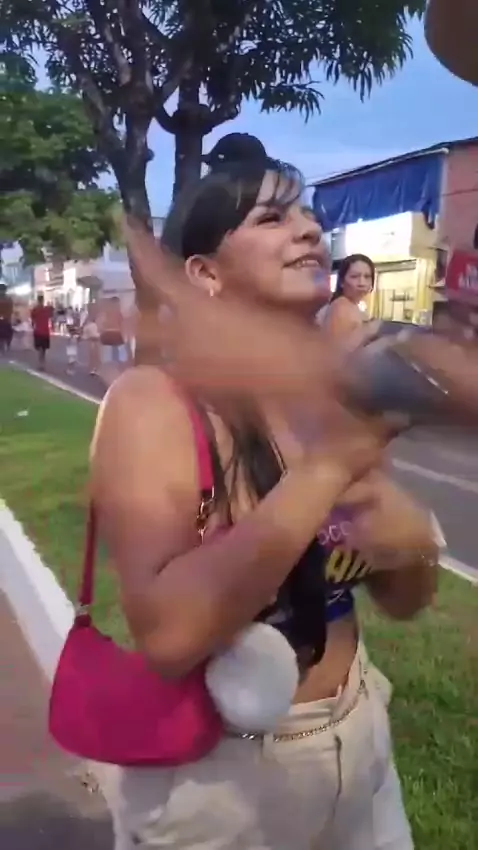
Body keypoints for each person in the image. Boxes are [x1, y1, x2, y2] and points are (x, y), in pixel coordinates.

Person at [91, 158, 440, 849]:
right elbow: (167, 638)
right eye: (273, 218)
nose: (309, 229)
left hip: (361, 739)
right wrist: (330, 466)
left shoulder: (333, 395)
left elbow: (404, 598)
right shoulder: (153, 403)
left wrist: (411, 543)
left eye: (308, 214)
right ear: (205, 273)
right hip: (223, 781)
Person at [318, 254, 378, 348]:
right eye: (354, 276)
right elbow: (335, 350)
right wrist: (367, 331)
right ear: (342, 282)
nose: (362, 283)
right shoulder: (341, 306)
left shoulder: (352, 305)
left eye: (367, 277)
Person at [30, 294, 53, 370]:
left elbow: (32, 320)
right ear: (43, 300)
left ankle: (41, 363)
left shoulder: (35, 309)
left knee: (40, 348)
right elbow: (51, 316)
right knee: (43, 348)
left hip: (38, 331)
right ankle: (42, 363)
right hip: (45, 331)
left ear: (37, 300)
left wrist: (33, 326)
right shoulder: (47, 309)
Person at [0, 283, 14, 355]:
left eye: (3, 290)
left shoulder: (8, 299)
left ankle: (7, 345)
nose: (2, 291)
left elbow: (11, 309)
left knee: (9, 334)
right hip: (4, 319)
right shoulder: (8, 299)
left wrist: (8, 316)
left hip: (7, 319)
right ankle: (3, 347)